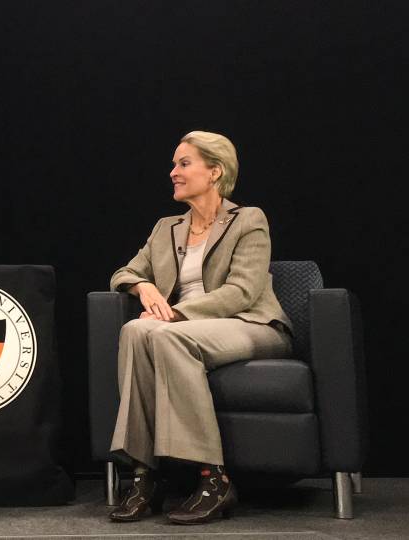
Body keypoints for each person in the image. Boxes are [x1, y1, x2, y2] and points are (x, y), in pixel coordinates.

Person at [106, 131, 292, 524]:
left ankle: (214, 477)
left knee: (164, 334)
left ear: (215, 171)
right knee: (134, 331)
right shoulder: (165, 228)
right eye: (174, 164)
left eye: (183, 163)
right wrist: (143, 286)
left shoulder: (248, 220)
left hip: (250, 325)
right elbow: (123, 272)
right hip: (182, 330)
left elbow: (242, 291)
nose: (172, 172)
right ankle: (145, 474)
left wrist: (175, 314)